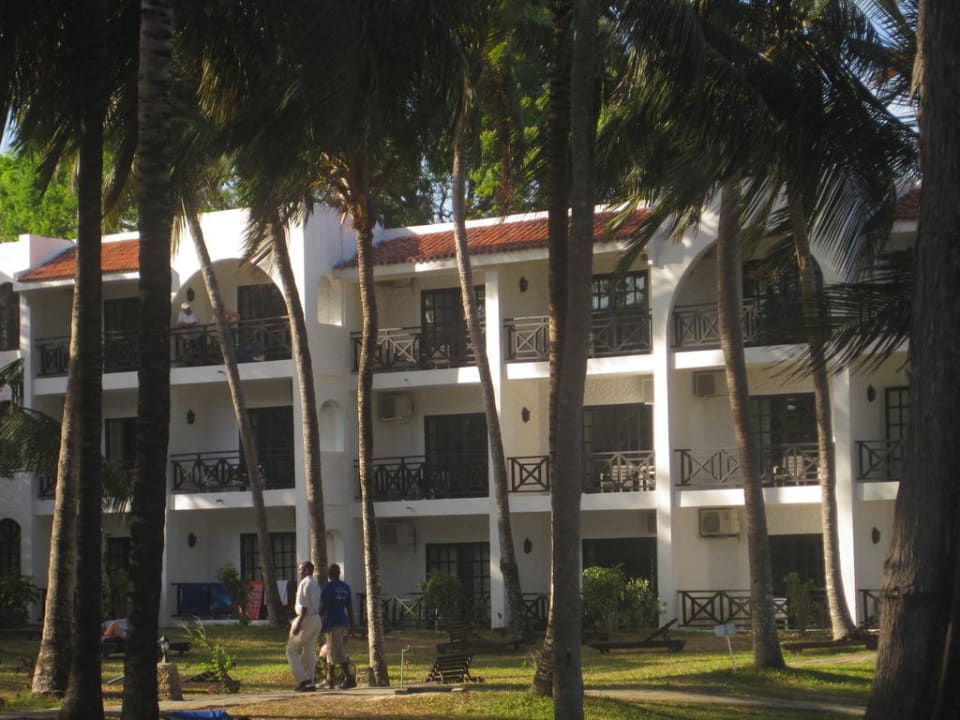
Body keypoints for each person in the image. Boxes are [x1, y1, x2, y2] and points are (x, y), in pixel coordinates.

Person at [286, 561, 322, 692]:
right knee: (309, 650)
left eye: (300, 569)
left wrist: (298, 624)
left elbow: (304, 606)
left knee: (291, 650)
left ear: (306, 570)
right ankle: (309, 682)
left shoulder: (305, 583)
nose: (299, 571)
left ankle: (304, 679)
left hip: (305, 619)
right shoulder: (315, 583)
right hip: (316, 619)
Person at [319, 563, 355, 689]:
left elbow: (323, 605)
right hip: (342, 621)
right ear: (339, 574)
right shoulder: (345, 587)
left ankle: (332, 679)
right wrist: (351, 625)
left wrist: (317, 618)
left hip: (332, 621)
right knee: (337, 650)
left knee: (332, 650)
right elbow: (349, 607)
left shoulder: (328, 587)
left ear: (329, 575)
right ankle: (343, 678)